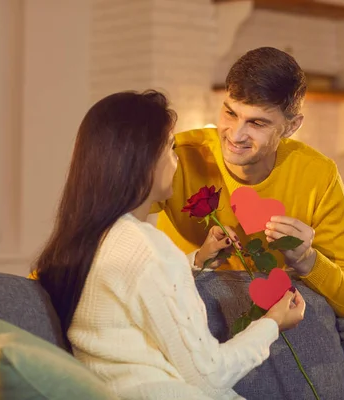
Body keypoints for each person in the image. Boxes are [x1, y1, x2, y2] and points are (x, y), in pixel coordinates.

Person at [34, 90, 305, 400]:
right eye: (170, 149)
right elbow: (210, 377)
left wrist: (197, 261)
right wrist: (273, 323)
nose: (176, 162)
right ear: (144, 161)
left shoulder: (89, 240)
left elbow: (131, 296)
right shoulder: (145, 246)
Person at [150, 47, 344, 318]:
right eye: (230, 113)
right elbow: (105, 237)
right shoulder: (177, 156)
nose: (236, 135)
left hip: (271, 324)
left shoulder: (318, 176)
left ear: (291, 127)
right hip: (184, 312)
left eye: (256, 123)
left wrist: (306, 259)